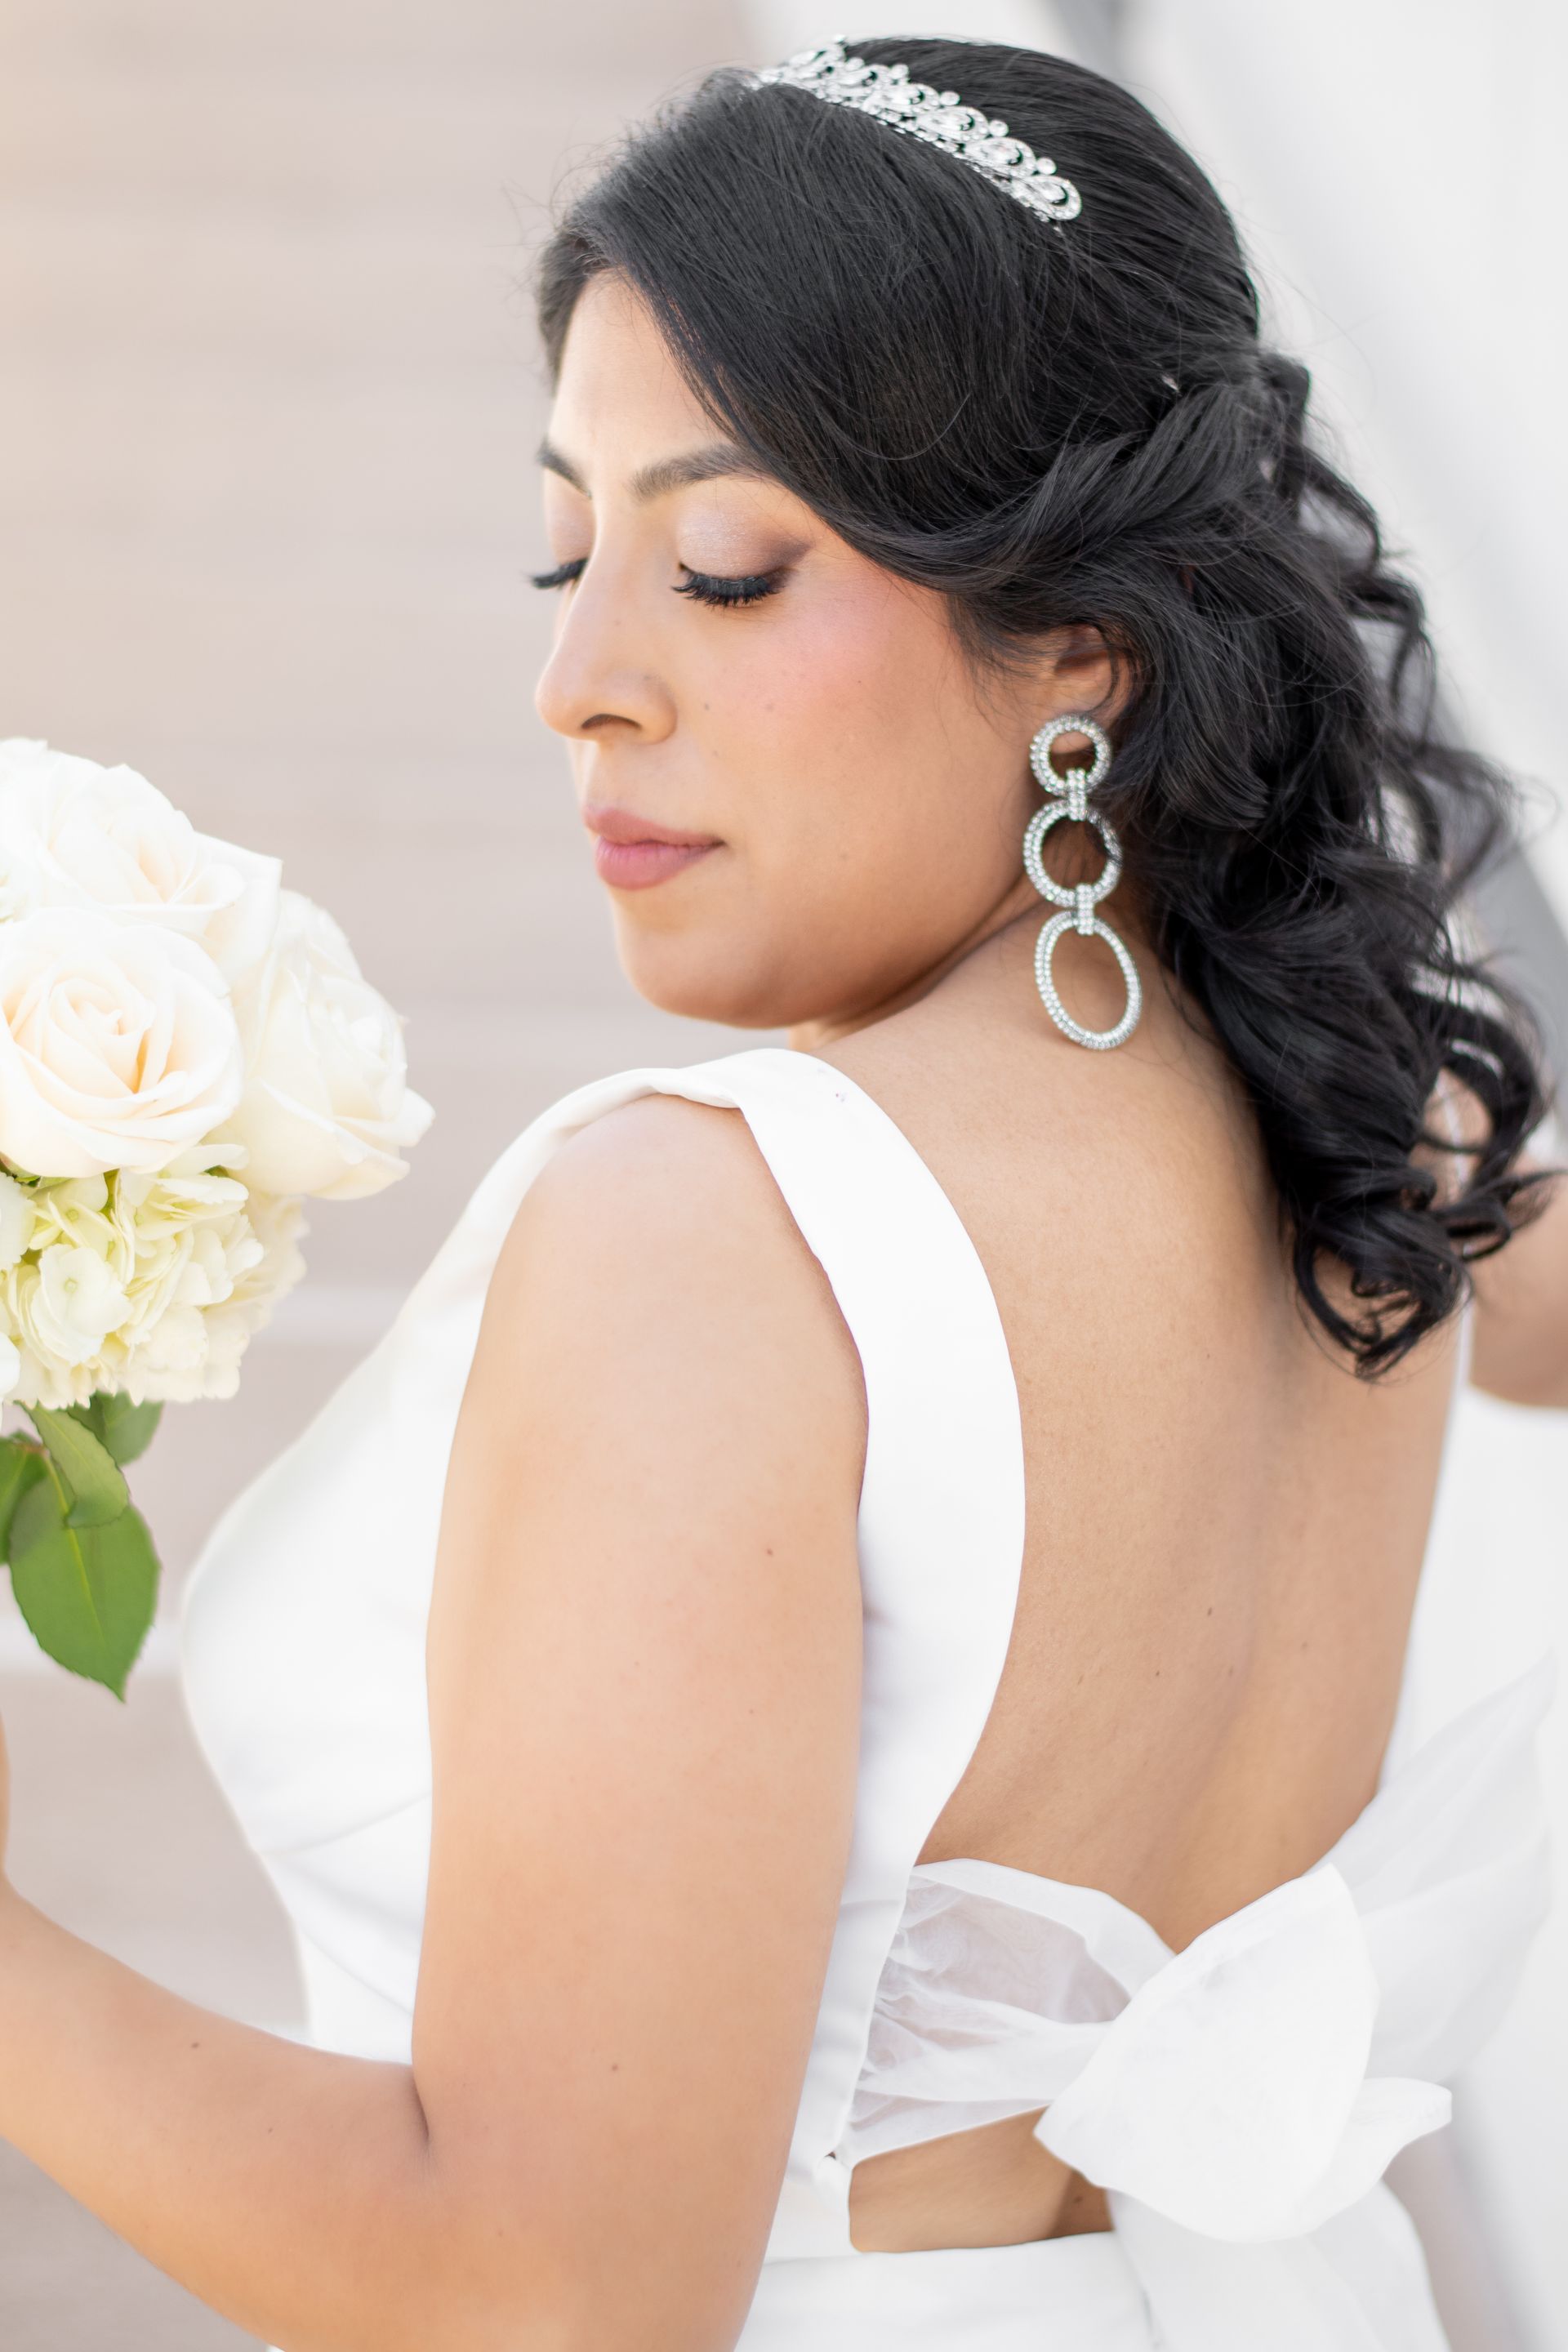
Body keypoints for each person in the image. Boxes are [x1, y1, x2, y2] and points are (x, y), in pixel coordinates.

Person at [0, 33, 1561, 2352]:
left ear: (1089, 638)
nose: (578, 680)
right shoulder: (1385, 1134)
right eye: (566, 544)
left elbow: (542, 2295)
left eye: (724, 570)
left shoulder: (717, 1244)